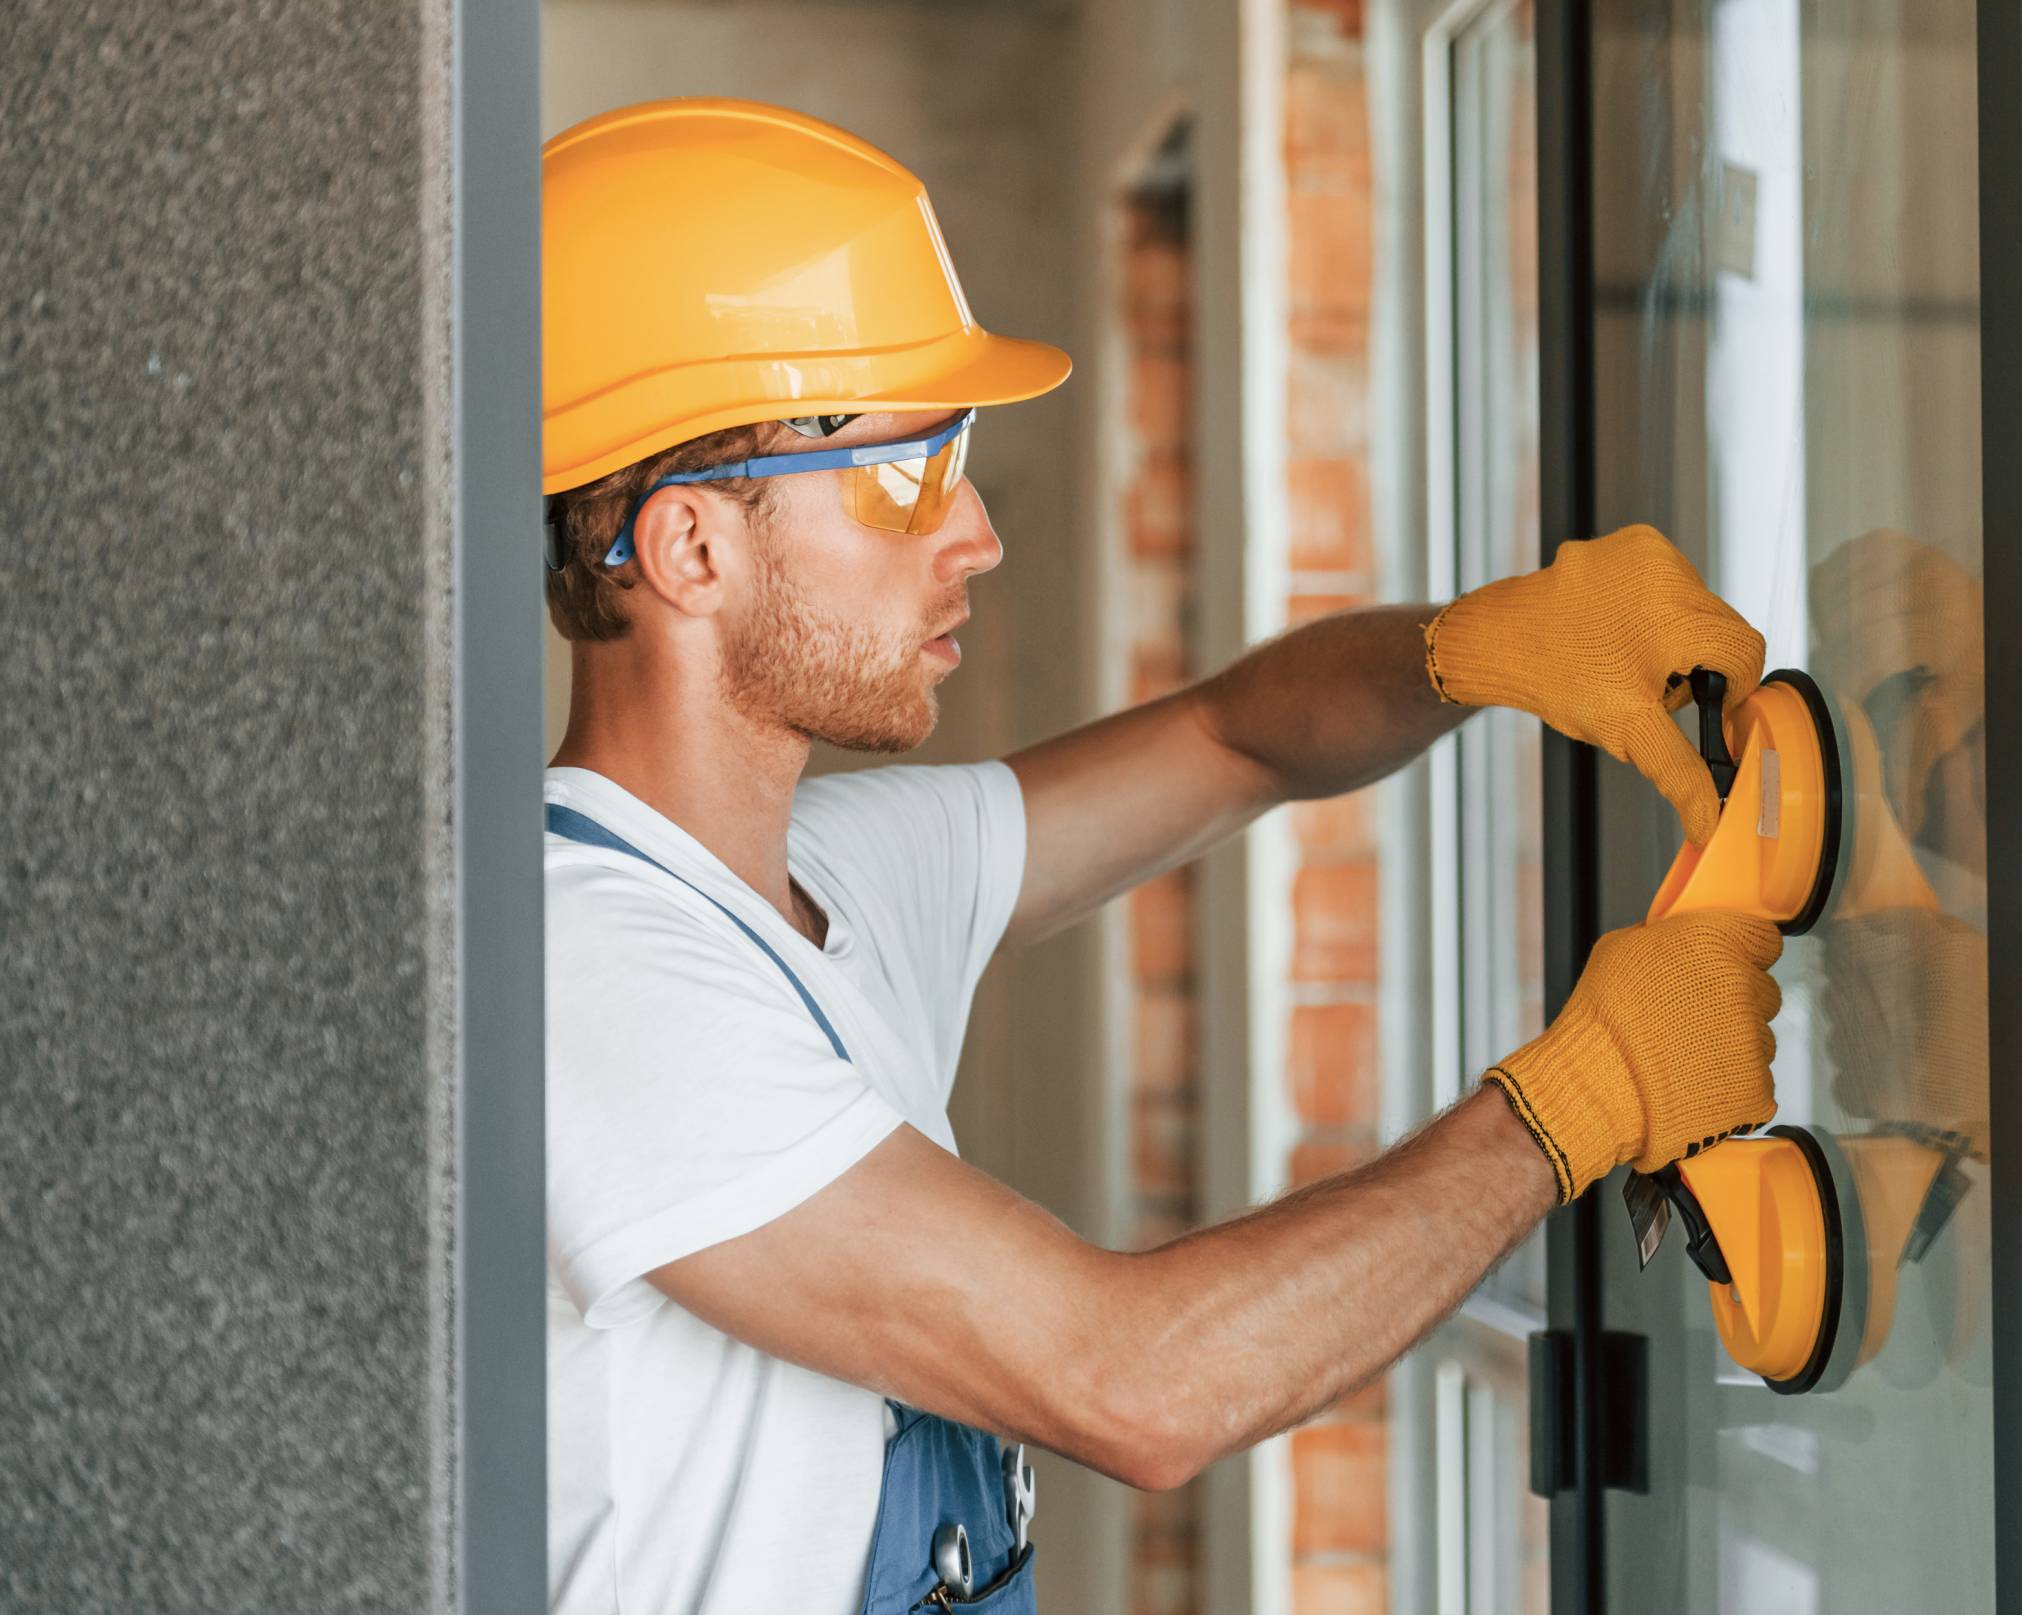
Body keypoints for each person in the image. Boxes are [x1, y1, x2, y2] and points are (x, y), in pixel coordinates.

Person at [539, 97, 1786, 1615]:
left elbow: (1233, 739)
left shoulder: (817, 880)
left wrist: (1488, 649)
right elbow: (1134, 1383)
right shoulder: (595, 973)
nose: (977, 532)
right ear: (690, 552)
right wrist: (1585, 1097)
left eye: (965, 453)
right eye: (904, 470)